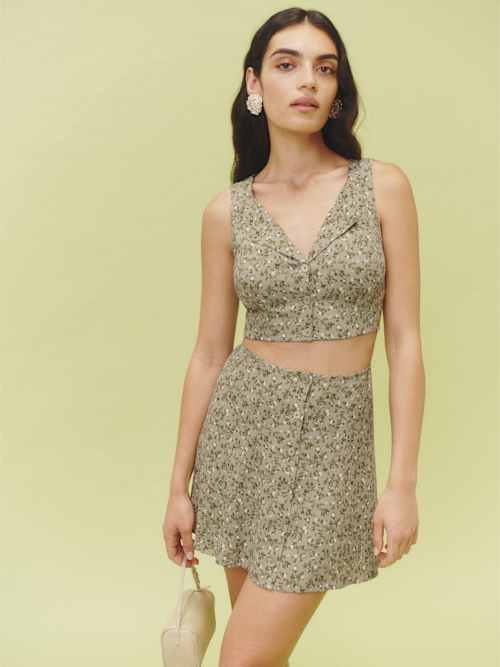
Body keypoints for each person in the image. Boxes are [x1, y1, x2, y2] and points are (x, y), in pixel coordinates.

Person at [162, 7, 425, 665]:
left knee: (242, 658)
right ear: (255, 84)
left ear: (337, 91)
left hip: (336, 441)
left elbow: (405, 342)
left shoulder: (383, 188)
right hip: (242, 436)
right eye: (287, 64)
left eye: (325, 68)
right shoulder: (226, 212)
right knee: (261, 658)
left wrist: (401, 483)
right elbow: (209, 354)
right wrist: (178, 485)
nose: (308, 80)